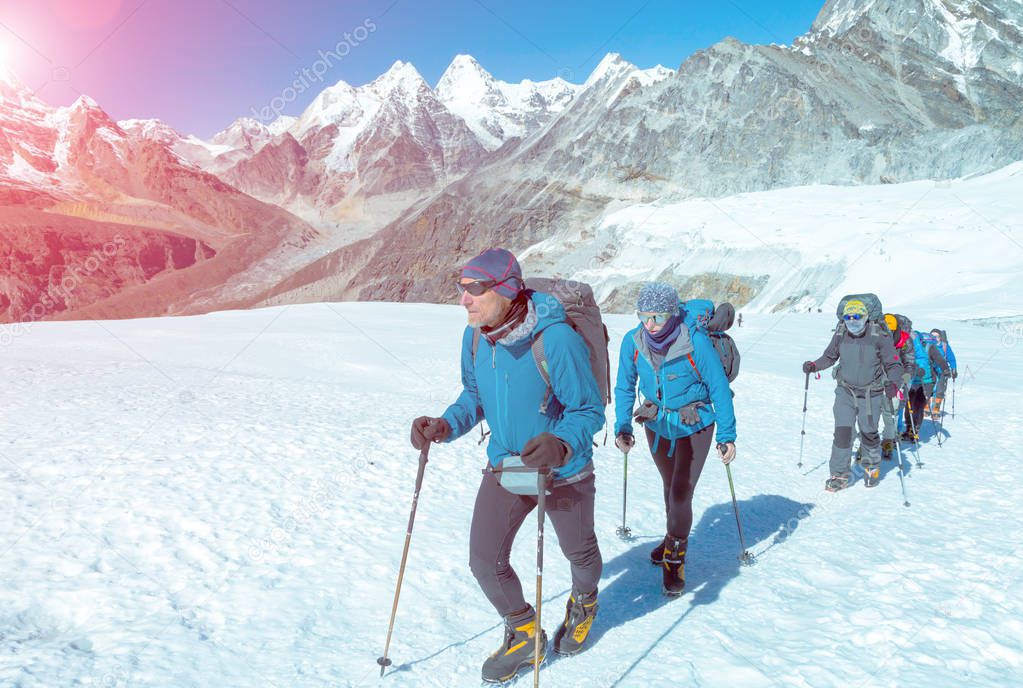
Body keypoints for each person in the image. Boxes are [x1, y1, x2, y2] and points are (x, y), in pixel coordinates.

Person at [409, 248, 605, 683]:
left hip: (562, 470)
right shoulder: (476, 337)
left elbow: (589, 410)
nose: (464, 299)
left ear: (506, 290)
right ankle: (524, 631)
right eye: (461, 289)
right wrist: (444, 425)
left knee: (579, 551)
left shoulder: (556, 340)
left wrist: (560, 442)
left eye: (475, 290)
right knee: (485, 560)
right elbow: (474, 398)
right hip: (507, 465)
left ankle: (585, 600)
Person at [613, 282, 736, 597]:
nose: (650, 324)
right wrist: (623, 426)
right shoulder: (633, 341)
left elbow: (719, 388)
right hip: (657, 422)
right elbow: (626, 385)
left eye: (657, 317)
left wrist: (727, 435)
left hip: (695, 423)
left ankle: (675, 557)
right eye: (644, 316)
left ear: (671, 313)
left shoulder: (694, 340)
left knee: (681, 491)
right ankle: (673, 535)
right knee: (670, 488)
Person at [803, 299, 904, 491]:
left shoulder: (879, 335)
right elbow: (830, 356)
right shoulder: (841, 333)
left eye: (856, 317)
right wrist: (814, 365)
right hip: (845, 391)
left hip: (870, 393)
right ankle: (839, 475)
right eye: (848, 318)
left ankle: (871, 467)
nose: (852, 322)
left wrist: (894, 383)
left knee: (869, 432)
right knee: (843, 432)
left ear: (865, 318)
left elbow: (893, 364)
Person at [880, 314, 916, 459]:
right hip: (876, 380)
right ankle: (866, 445)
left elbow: (910, 364)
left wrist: (902, 382)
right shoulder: (875, 337)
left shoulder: (905, 341)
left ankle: (888, 443)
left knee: (890, 415)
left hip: (896, 382)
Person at [903, 330, 951, 438]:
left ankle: (915, 429)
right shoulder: (906, 347)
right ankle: (909, 427)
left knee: (919, 405)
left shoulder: (929, 347)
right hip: (912, 380)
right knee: (909, 405)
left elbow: (940, 360)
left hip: (927, 381)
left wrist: (945, 370)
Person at [927, 328, 957, 418]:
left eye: (937, 336)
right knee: (930, 388)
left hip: (942, 371)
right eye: (933, 336)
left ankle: (936, 408)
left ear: (940, 337)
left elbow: (951, 358)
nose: (935, 338)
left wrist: (953, 369)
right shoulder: (928, 346)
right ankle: (927, 406)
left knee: (940, 389)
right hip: (931, 370)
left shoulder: (944, 347)